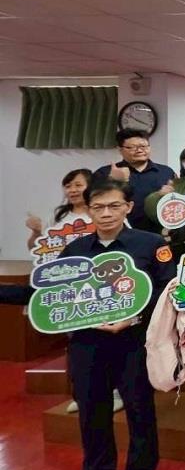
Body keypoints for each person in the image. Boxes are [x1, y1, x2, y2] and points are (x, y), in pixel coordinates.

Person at [62, 179, 175, 470]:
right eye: (98, 207)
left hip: (133, 342)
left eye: (114, 206)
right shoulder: (74, 250)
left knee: (140, 410)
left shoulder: (152, 244)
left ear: (128, 206)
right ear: (88, 210)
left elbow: (167, 289)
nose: (106, 213)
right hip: (87, 344)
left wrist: (135, 317)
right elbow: (51, 295)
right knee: (91, 414)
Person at [25, 168, 118, 416]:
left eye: (78, 185)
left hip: (102, 285)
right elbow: (39, 250)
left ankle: (114, 391)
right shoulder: (59, 216)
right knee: (77, 343)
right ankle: (83, 393)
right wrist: (36, 232)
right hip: (68, 287)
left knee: (109, 343)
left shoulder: (104, 213)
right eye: (68, 186)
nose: (73, 190)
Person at [92, 129, 176, 231]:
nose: (139, 150)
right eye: (132, 147)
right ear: (120, 149)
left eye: (143, 146)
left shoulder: (166, 172)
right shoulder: (104, 173)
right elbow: (93, 201)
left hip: (159, 231)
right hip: (118, 231)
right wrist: (112, 181)